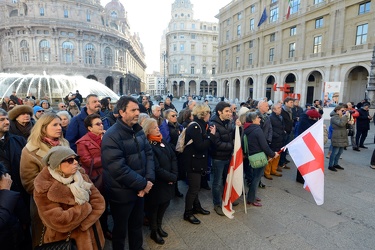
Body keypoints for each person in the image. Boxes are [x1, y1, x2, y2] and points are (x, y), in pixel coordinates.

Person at [101, 96, 155, 250]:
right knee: (120, 230)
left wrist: (149, 179)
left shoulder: (137, 130)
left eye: (138, 109)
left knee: (136, 226)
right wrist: (143, 184)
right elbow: (118, 168)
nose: (137, 113)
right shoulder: (111, 135)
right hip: (122, 193)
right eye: (133, 110)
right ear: (121, 112)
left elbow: (149, 154)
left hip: (140, 190)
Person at [33, 146, 105, 250]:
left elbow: (99, 202)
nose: (75, 162)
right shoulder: (44, 186)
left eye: (76, 159)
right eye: (70, 160)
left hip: (93, 237)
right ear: (57, 164)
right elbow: (58, 220)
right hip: (66, 242)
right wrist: (85, 208)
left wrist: (85, 224)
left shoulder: (81, 176)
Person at [19, 113, 69, 247]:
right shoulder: (30, 151)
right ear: (43, 128)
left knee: (66, 241)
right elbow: (29, 183)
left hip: (69, 203)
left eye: (60, 124)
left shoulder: (65, 144)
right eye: (55, 125)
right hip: (45, 205)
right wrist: (58, 187)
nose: (60, 127)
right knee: (45, 242)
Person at [142, 118, 178, 245]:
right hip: (158, 183)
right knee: (155, 208)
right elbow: (156, 168)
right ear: (147, 131)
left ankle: (159, 226)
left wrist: (174, 175)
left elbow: (173, 157)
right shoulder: (149, 145)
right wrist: (171, 177)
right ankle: (153, 230)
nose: (158, 129)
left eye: (157, 126)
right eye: (154, 128)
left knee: (164, 205)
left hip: (168, 180)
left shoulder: (162, 141)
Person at [76, 114, 111, 240]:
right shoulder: (82, 142)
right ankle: (102, 230)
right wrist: (109, 157)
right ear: (89, 128)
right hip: (97, 178)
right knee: (100, 205)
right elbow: (88, 161)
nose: (101, 125)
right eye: (97, 124)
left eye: (101, 123)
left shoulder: (107, 137)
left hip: (111, 176)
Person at [182, 103, 216, 224]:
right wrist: (211, 136)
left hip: (197, 161)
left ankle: (196, 207)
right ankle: (187, 213)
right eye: (208, 113)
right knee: (194, 188)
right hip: (192, 162)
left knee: (195, 187)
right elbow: (200, 146)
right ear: (204, 114)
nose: (209, 115)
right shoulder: (196, 127)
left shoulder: (201, 125)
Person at [243, 112, 278, 207]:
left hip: (251, 156)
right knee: (256, 179)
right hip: (259, 156)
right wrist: (272, 154)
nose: (260, 119)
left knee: (253, 177)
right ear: (253, 120)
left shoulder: (246, 129)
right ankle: (251, 199)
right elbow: (264, 145)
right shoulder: (257, 130)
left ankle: (252, 195)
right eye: (258, 118)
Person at [209, 101, 234, 216]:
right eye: (227, 111)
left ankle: (226, 199)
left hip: (227, 156)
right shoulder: (213, 124)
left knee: (226, 179)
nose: (230, 113)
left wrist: (239, 127)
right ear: (219, 112)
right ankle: (217, 204)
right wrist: (232, 146)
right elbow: (217, 143)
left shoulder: (229, 122)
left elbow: (234, 136)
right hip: (218, 158)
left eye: (230, 111)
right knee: (217, 182)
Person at [0, 163, 32, 250]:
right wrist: (5, 191)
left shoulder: (4, 178)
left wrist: (25, 220)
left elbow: (17, 200)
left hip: (17, 235)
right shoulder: (5, 189)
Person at [159, 109, 184, 197]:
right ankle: (172, 190)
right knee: (172, 170)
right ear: (167, 117)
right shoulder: (164, 126)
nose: (175, 117)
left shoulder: (177, 125)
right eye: (173, 116)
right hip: (171, 152)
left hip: (178, 152)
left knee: (176, 170)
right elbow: (166, 141)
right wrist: (175, 148)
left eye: (176, 115)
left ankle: (175, 189)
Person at [295, 109, 321, 183]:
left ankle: (303, 176)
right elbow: (311, 128)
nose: (316, 119)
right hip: (302, 143)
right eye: (315, 118)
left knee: (306, 161)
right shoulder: (305, 122)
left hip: (307, 143)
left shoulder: (306, 120)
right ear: (311, 117)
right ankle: (300, 177)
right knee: (302, 161)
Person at [328, 105, 349, 172]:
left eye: (344, 111)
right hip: (337, 135)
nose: (343, 112)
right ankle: (330, 165)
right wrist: (345, 116)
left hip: (342, 135)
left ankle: (336, 164)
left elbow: (344, 125)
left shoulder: (341, 116)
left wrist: (349, 123)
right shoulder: (334, 117)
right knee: (335, 152)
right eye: (342, 110)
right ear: (337, 110)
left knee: (340, 152)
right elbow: (341, 124)